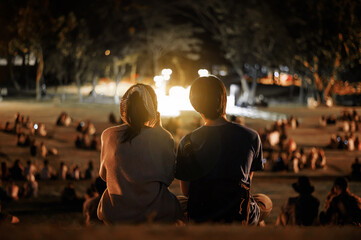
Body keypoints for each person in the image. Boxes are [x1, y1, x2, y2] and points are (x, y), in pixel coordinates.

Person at [175, 76, 272, 225]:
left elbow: (186, 191)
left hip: (200, 213)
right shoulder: (251, 137)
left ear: (195, 105)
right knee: (265, 201)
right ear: (224, 100)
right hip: (238, 213)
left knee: (179, 202)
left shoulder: (186, 142)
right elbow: (247, 181)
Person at [97, 83, 182, 224]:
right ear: (153, 108)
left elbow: (104, 175)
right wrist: (158, 128)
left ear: (125, 108)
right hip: (155, 211)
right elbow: (167, 178)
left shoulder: (109, 135)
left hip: (115, 212)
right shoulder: (163, 136)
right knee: (183, 204)